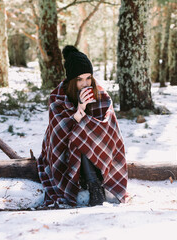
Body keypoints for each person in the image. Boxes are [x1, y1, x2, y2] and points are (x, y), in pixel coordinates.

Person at [37, 45, 127, 207]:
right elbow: (60, 134)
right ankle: (93, 185)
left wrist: (89, 123)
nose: (85, 83)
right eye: (79, 79)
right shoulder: (57, 98)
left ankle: (96, 184)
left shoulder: (101, 95)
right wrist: (80, 110)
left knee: (86, 132)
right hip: (65, 154)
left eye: (88, 78)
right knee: (80, 134)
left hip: (98, 154)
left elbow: (108, 129)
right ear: (71, 80)